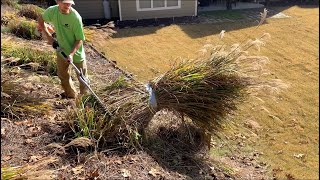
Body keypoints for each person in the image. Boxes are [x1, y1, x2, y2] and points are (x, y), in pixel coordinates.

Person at [38, 0, 87, 99]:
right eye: (64, 3)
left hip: (76, 54)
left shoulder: (75, 18)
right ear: (57, 1)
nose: (67, 5)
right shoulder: (52, 11)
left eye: (69, 3)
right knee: (63, 76)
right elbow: (40, 19)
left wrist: (71, 54)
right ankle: (71, 95)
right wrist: (49, 37)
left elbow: (79, 40)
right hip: (61, 50)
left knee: (82, 78)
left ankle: (84, 99)